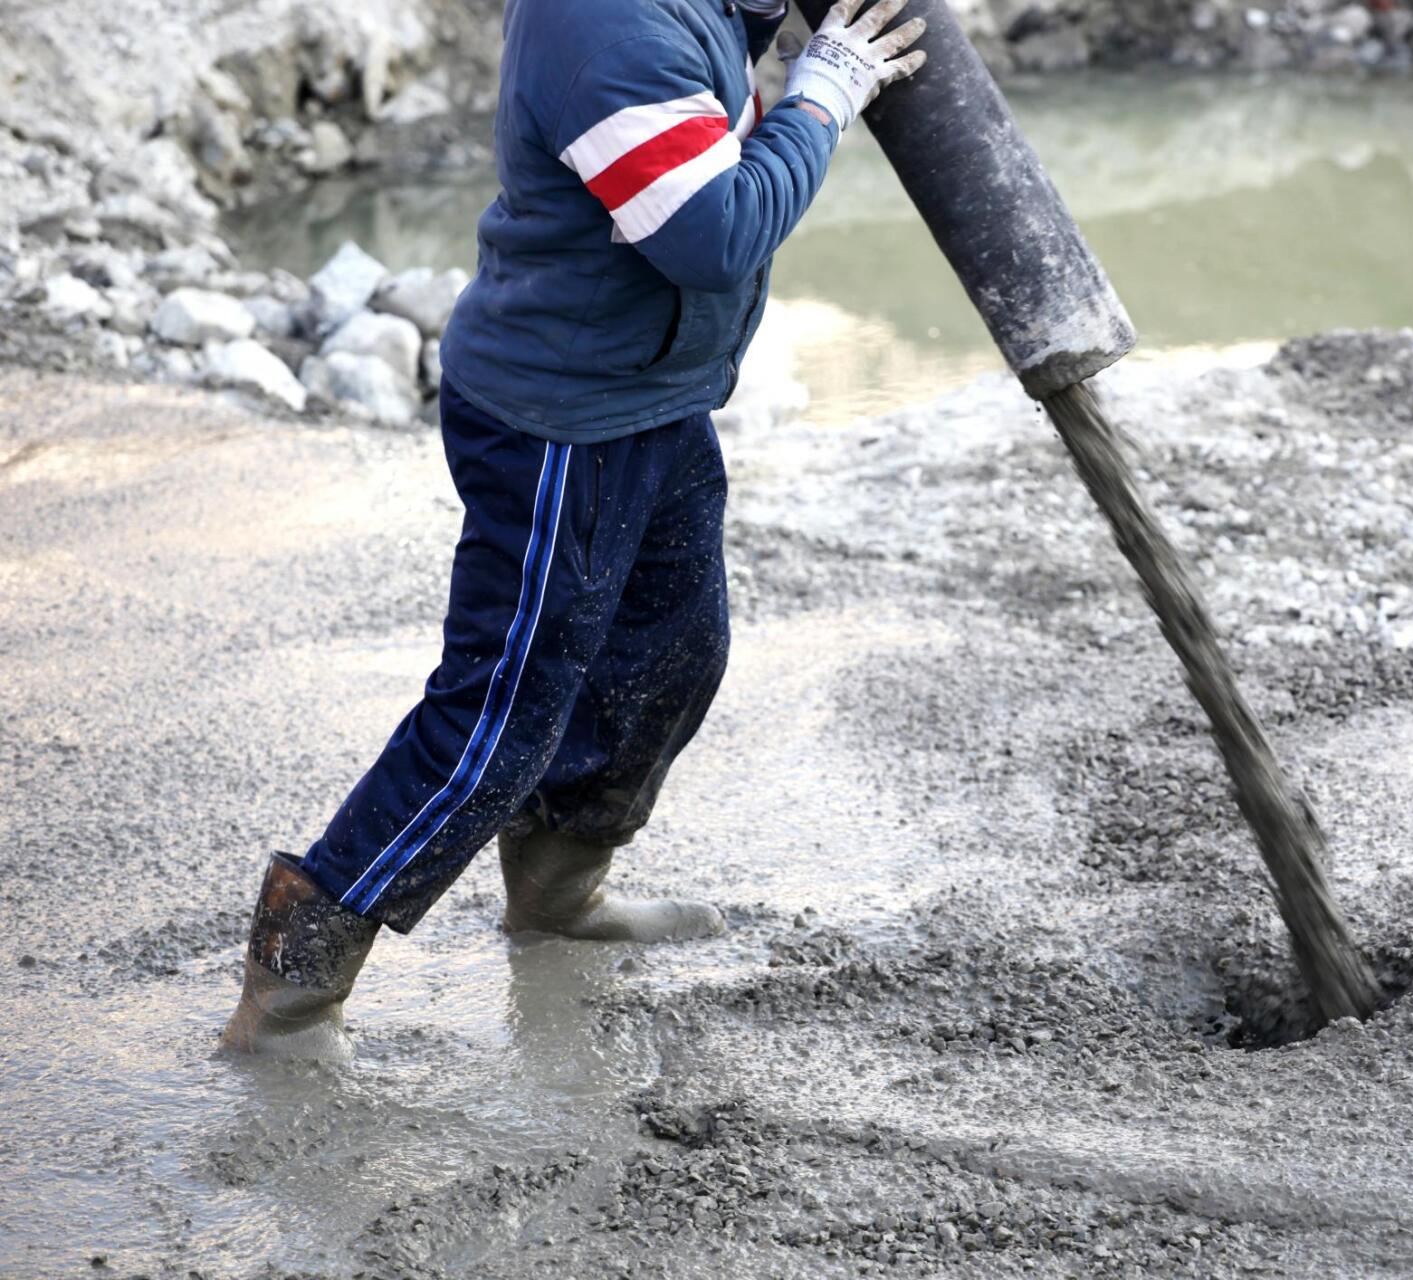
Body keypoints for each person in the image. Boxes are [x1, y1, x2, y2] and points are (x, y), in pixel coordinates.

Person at [221, 0, 928, 1061]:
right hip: (559, 423)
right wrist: (823, 92)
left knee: (675, 651)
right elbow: (714, 233)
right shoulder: (608, 19)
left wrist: (777, 32)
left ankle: (556, 886)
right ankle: (293, 986)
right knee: (498, 719)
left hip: (649, 397)